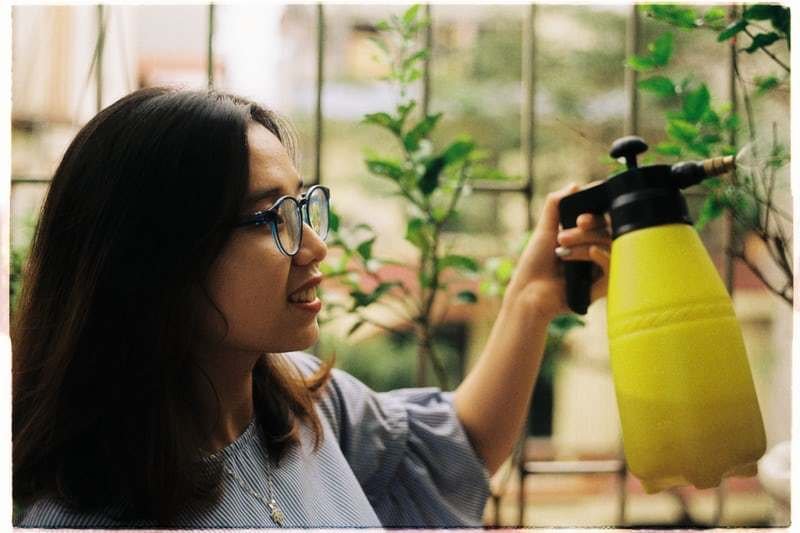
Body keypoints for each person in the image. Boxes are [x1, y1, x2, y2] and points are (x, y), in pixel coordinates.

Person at [12, 87, 611, 528]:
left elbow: (456, 451)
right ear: (160, 256)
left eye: (302, 206)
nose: (316, 246)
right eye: (272, 218)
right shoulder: (83, 518)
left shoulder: (300, 403)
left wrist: (531, 300)